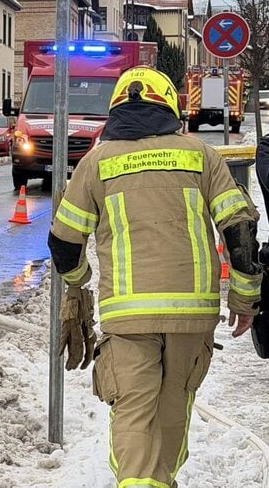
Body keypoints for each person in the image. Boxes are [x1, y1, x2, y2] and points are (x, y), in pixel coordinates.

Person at [48, 67, 261, 488]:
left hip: (127, 319)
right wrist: (244, 299)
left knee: (131, 412)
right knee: (171, 415)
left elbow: (64, 244)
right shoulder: (202, 154)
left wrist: (80, 281)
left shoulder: (96, 162)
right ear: (170, 105)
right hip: (191, 316)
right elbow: (240, 232)